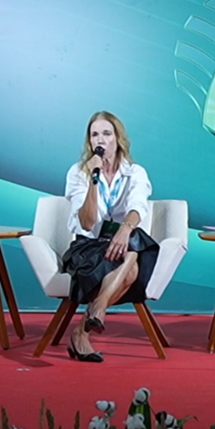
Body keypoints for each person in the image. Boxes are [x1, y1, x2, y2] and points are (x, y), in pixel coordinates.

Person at [60, 111, 159, 362]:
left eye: (106, 133)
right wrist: (93, 181)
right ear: (89, 141)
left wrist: (125, 230)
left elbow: (138, 207)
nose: (100, 140)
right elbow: (87, 221)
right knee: (133, 264)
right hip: (86, 248)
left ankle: (91, 318)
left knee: (134, 242)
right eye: (95, 135)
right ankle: (92, 317)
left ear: (117, 138)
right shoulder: (78, 173)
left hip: (121, 244)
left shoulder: (135, 172)